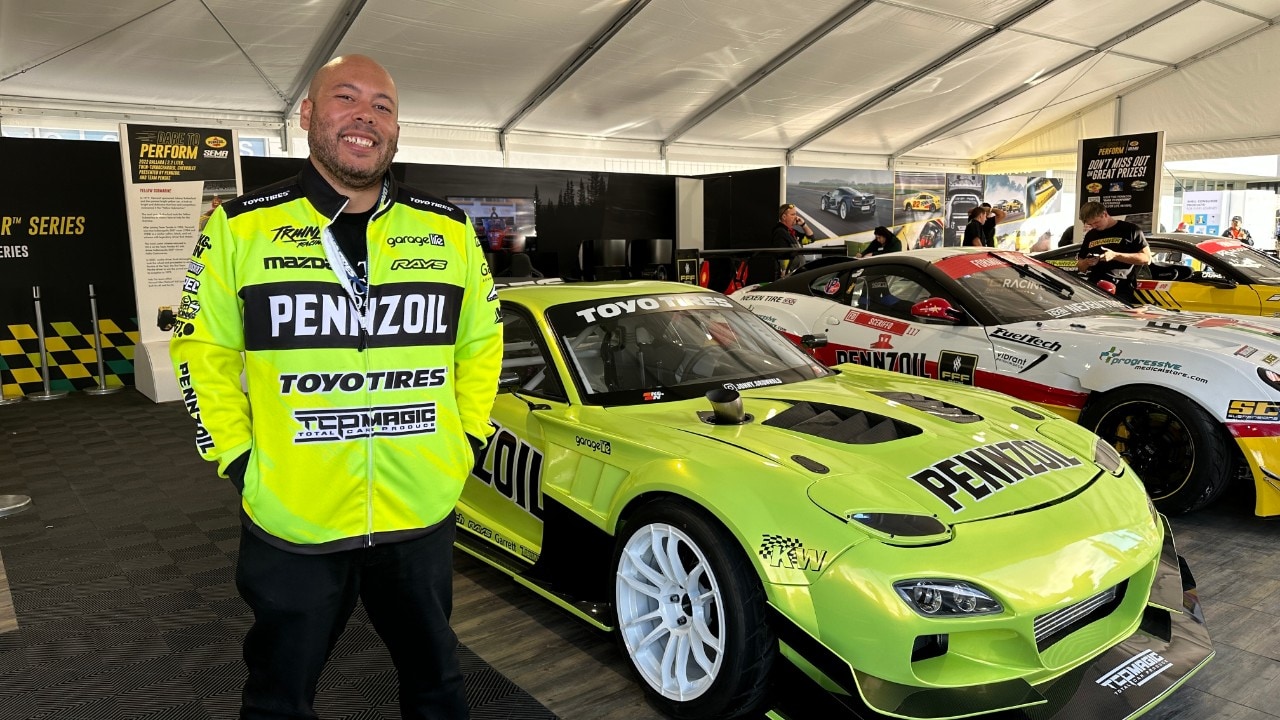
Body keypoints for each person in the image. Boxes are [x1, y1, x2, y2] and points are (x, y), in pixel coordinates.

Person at [169, 54, 502, 720]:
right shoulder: (240, 227)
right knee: (278, 698)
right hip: (294, 513)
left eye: (382, 106)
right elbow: (201, 351)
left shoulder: (449, 228)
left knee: (438, 687)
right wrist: (237, 458)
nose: (365, 116)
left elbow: (481, 345)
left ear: (396, 127)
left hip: (419, 511)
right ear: (308, 115)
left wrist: (464, 440)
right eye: (345, 98)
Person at [1076, 201, 1151, 305]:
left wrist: (1115, 255)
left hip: (1121, 287)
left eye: (1096, 222)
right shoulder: (1090, 235)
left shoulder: (1130, 230)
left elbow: (1147, 258)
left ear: (1105, 214)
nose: (1094, 226)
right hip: (1095, 287)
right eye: (1090, 224)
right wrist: (1087, 262)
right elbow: (1080, 266)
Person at [771, 203, 814, 275]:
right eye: (793, 214)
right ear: (784, 217)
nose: (796, 217)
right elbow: (781, 256)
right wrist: (785, 272)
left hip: (797, 273)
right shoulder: (780, 232)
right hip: (790, 275)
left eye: (795, 214)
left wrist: (803, 225)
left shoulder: (792, 232)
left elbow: (811, 239)